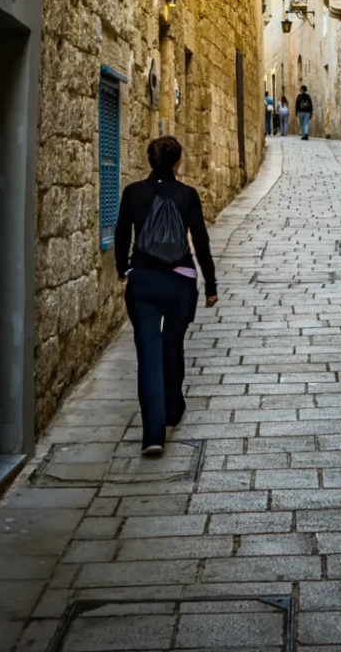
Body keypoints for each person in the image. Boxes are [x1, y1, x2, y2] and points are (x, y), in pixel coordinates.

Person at [115, 136, 218, 456]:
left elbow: (121, 233)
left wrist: (123, 269)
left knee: (148, 356)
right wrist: (211, 285)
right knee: (173, 345)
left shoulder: (133, 193)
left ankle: (153, 434)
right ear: (177, 163)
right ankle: (173, 407)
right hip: (180, 285)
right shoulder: (187, 195)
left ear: (150, 160)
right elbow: (200, 242)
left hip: (143, 284)